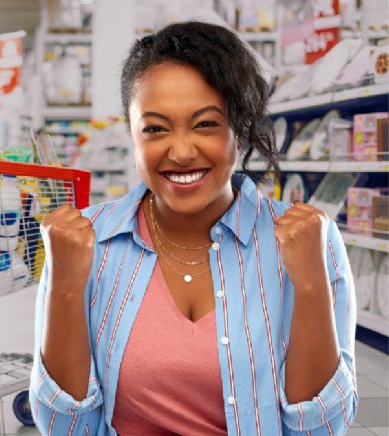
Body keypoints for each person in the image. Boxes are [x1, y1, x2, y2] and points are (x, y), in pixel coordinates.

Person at [30, 21, 357, 435]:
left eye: (205, 124)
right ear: (131, 132)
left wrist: (310, 285)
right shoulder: (85, 241)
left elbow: (320, 431)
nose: (181, 152)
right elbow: (64, 429)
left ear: (240, 129)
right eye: (155, 128)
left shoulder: (308, 240)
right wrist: (65, 287)